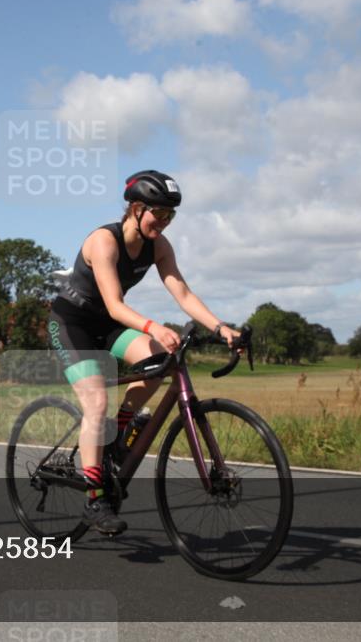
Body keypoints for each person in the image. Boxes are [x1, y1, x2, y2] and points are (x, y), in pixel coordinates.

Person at [48, 170, 240, 535]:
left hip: (108, 325)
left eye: (171, 216)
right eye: (159, 213)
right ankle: (95, 498)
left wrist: (220, 327)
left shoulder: (159, 246)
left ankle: (117, 436)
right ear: (136, 208)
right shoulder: (104, 242)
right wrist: (153, 326)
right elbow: (115, 304)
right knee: (97, 403)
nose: (164, 222)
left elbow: (182, 293)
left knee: (158, 362)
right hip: (73, 324)